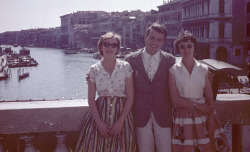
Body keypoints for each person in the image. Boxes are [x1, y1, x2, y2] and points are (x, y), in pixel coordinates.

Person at [168, 30, 229, 152]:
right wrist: (197, 106)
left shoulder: (204, 69)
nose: (186, 50)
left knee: (206, 147)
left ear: (194, 47)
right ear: (178, 50)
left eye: (189, 46)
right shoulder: (173, 70)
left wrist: (211, 121)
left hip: (203, 116)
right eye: (182, 47)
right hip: (182, 115)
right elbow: (175, 99)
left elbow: (209, 99)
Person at [75, 32, 136, 152]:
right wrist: (99, 123)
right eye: (106, 44)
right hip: (100, 115)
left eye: (114, 45)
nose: (110, 47)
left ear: (118, 48)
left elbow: (130, 97)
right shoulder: (94, 69)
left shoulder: (125, 67)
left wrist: (120, 122)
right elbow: (91, 99)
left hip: (122, 116)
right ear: (100, 47)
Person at [125, 23, 175, 152]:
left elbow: (182, 78)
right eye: (152, 37)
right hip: (141, 114)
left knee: (166, 149)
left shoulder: (170, 60)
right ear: (145, 37)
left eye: (159, 39)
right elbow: (120, 81)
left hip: (163, 114)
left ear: (163, 42)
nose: (155, 42)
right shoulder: (130, 60)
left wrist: (207, 76)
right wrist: (93, 77)